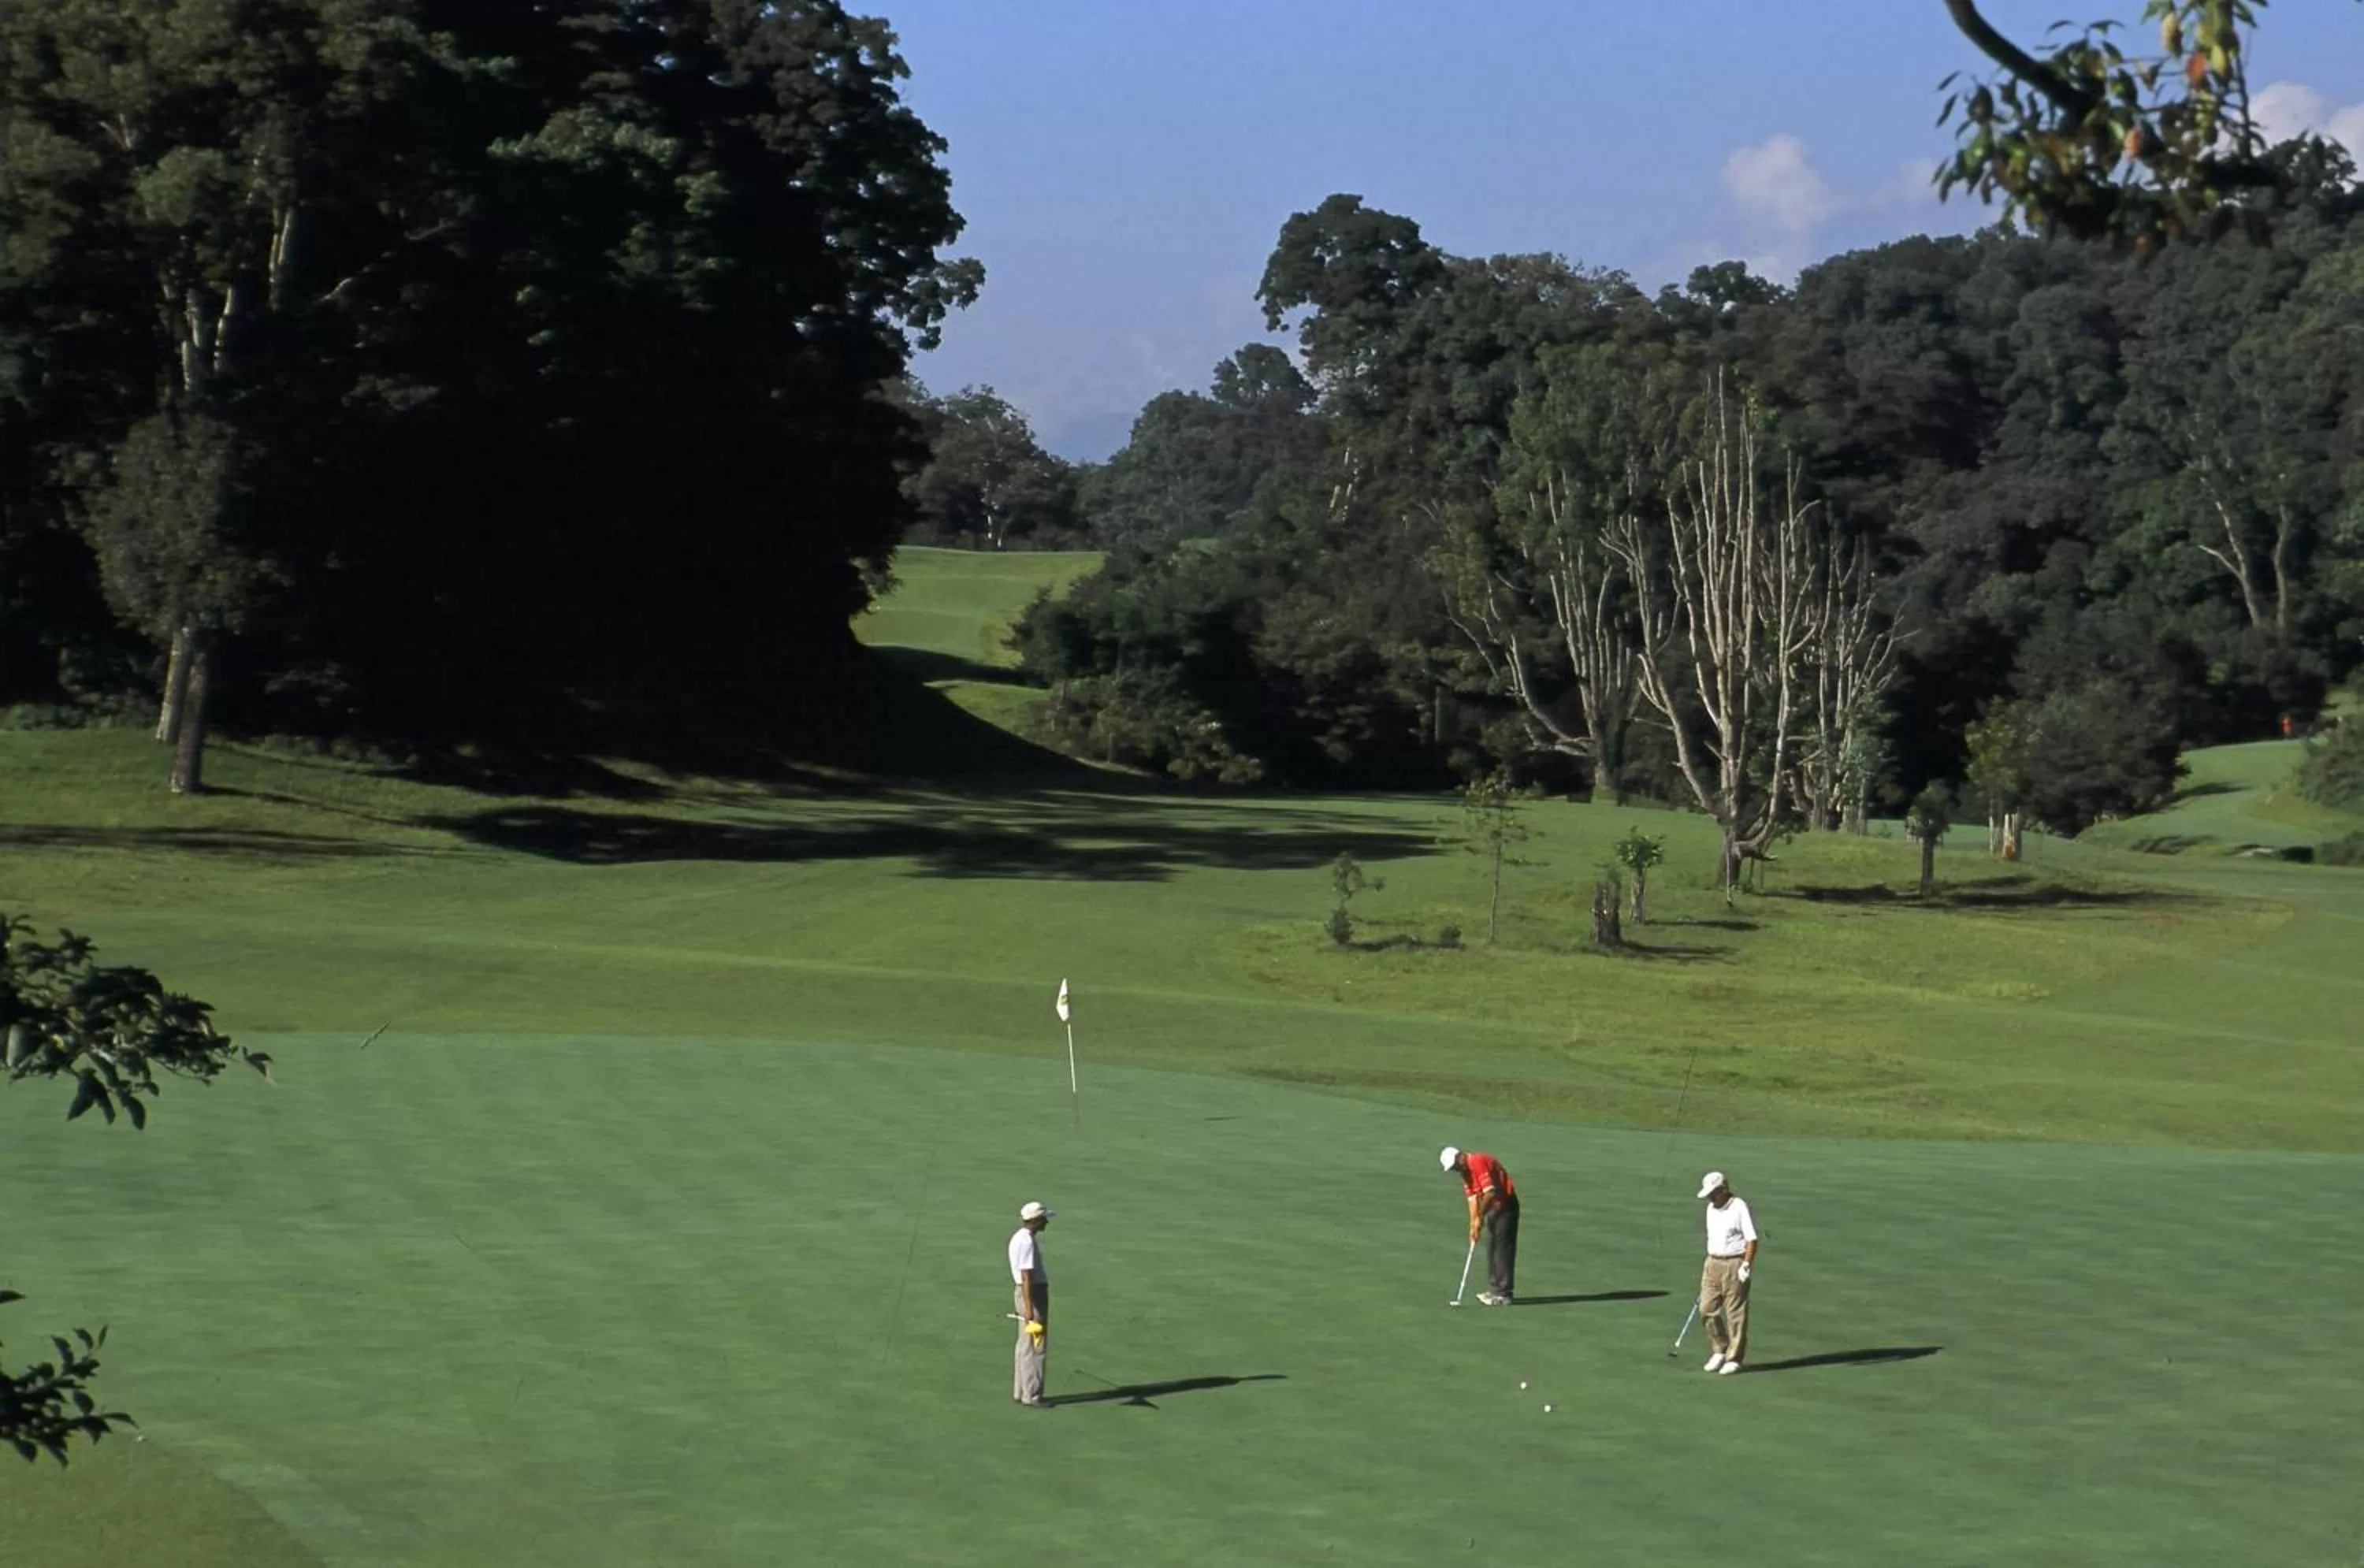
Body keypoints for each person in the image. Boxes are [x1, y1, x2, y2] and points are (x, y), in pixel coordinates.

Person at [1695, 1170, 1758, 1375]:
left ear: (1723, 1190)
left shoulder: (1739, 1207)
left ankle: (1734, 1358)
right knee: (1706, 1309)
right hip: (1712, 1262)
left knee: (1735, 1314)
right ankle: (1720, 1349)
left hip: (1734, 1264)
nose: (1710, 1198)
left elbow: (1751, 1239)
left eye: (1713, 1194)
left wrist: (1746, 1265)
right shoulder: (1711, 1209)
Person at [1440, 1146, 1519, 1305]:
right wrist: (1473, 1225)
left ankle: (1504, 1293)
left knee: (1502, 1248)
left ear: (1460, 1157)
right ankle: (1495, 1289)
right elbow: (1472, 1199)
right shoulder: (1465, 1174)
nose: (1456, 1170)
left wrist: (1480, 1217)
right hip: (1491, 1208)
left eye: (1455, 1166)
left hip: (1506, 1205)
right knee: (1491, 1246)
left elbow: (1490, 1192)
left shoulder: (1477, 1161)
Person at [1009, 1199, 1054, 1408]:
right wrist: (1029, 1308)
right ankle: (1032, 1395)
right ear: (1035, 1220)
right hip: (1032, 1295)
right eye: (1043, 1218)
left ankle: (1021, 1391)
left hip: (1026, 1294)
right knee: (1035, 1345)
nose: (1046, 1222)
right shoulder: (1026, 1241)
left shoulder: (1019, 1237)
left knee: (1025, 1344)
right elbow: (1026, 1275)